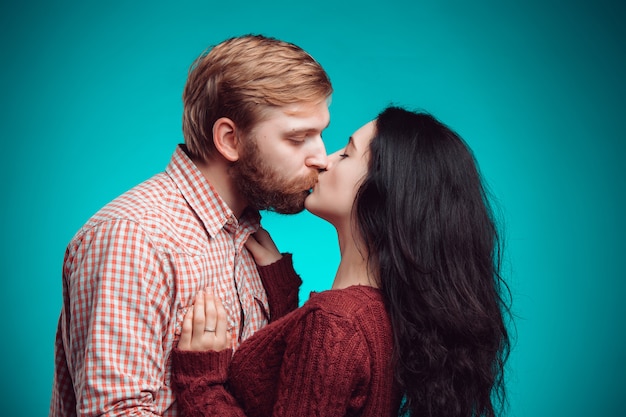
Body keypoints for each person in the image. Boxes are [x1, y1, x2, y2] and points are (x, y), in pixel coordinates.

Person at [50, 34, 333, 416]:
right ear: (230, 139)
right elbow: (115, 410)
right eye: (298, 138)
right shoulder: (134, 237)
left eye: (321, 134)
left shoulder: (250, 241)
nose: (322, 157)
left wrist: (281, 307)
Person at [170, 106, 512, 417]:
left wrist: (202, 385)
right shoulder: (377, 314)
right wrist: (282, 294)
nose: (323, 160)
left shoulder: (335, 322)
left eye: (346, 154)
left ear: (382, 194)